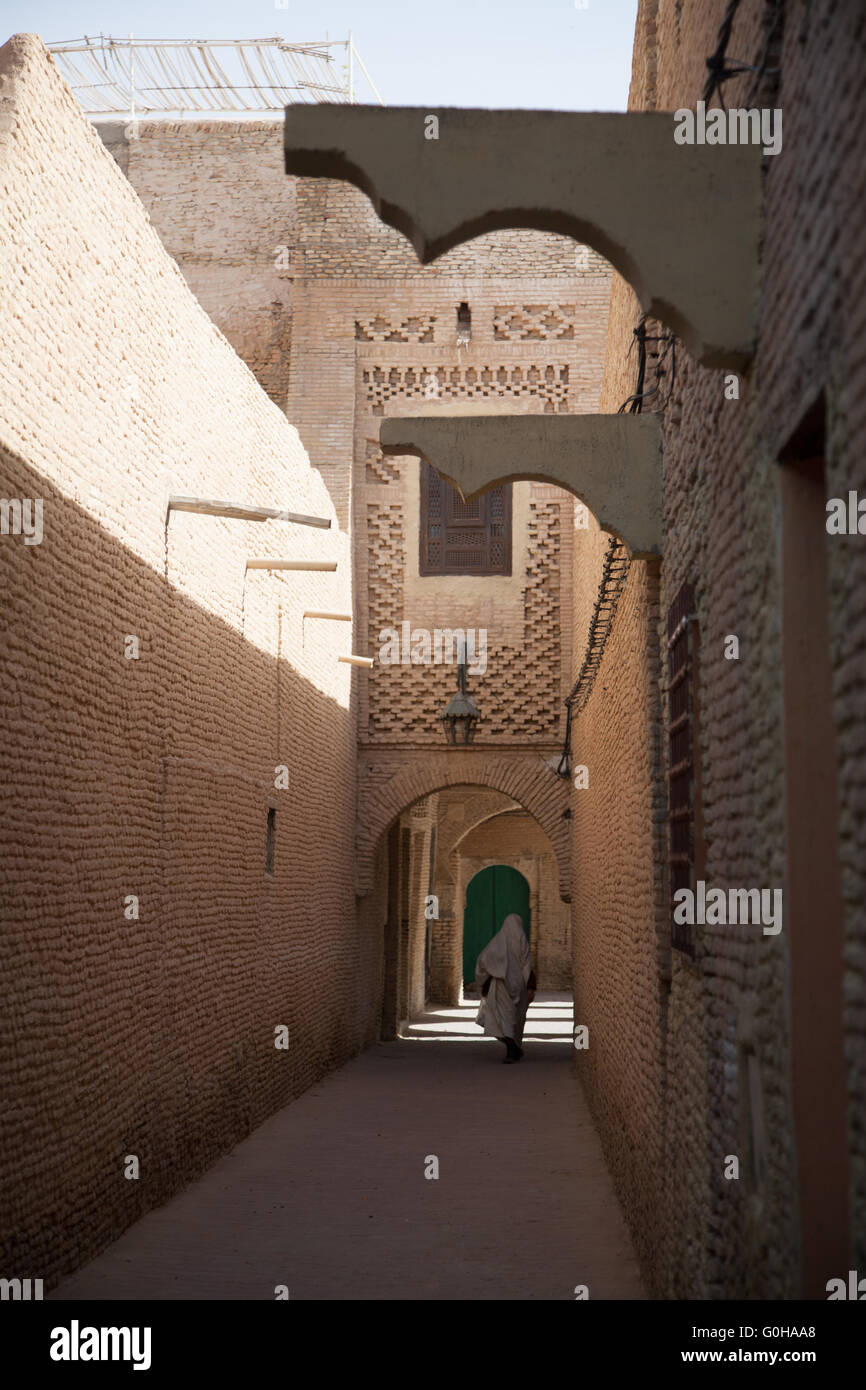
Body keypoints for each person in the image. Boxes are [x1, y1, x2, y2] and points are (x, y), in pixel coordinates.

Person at [474, 913, 536, 1063]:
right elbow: (527, 965)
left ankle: (512, 1051)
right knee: (516, 1020)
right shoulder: (522, 940)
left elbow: (483, 960)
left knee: (503, 1019)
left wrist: (485, 978)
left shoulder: (498, 942)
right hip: (519, 985)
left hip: (501, 985)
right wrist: (529, 986)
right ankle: (514, 1049)